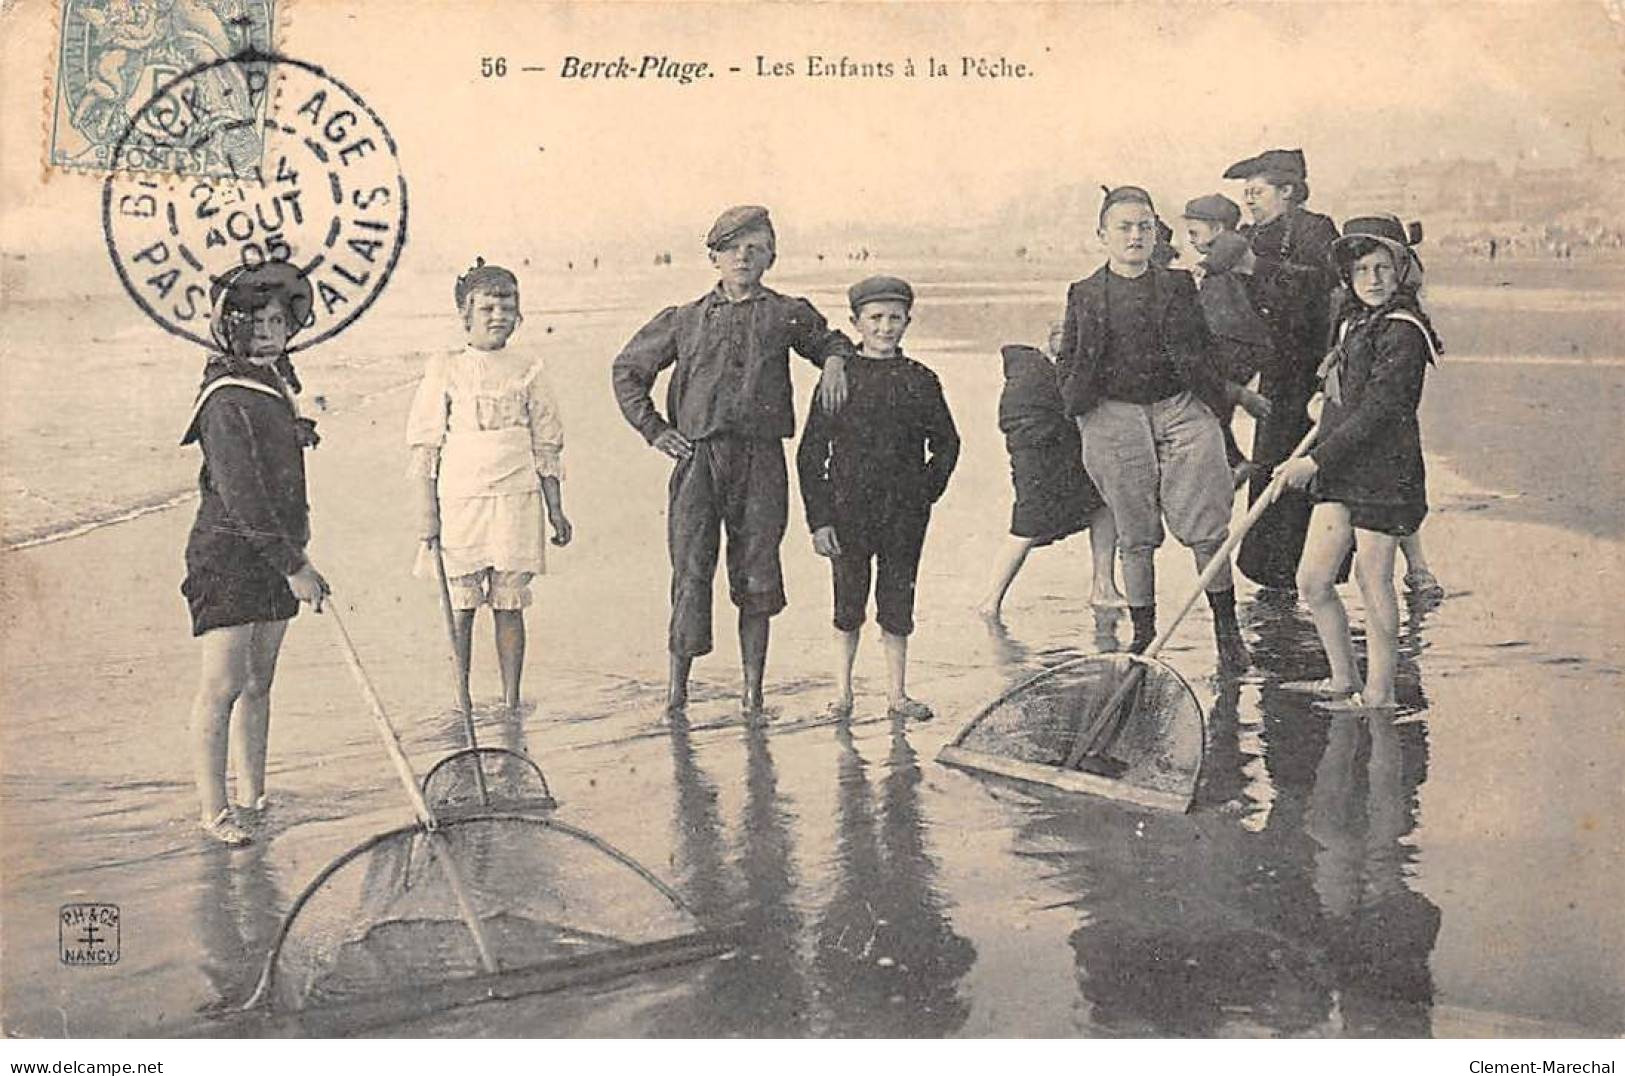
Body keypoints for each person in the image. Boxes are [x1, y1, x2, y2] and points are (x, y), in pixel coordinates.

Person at [612, 206, 852, 720]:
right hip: (698, 460)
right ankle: (676, 697)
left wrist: (833, 361)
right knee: (691, 572)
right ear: (714, 256)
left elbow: (831, 340)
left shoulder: (787, 312)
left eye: (756, 246)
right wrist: (656, 431)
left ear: (771, 255)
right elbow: (628, 371)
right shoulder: (684, 318)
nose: (744, 256)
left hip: (761, 460)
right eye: (733, 247)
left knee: (758, 572)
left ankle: (752, 696)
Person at [1055, 186, 1248, 669]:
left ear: (1154, 232)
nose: (1135, 236)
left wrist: (1215, 406)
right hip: (1113, 415)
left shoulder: (1178, 285)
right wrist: (1081, 410)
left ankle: (1229, 634)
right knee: (1135, 534)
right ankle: (1144, 636)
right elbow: (1069, 360)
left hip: (1179, 409)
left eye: (1143, 226)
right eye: (1124, 227)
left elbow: (1204, 349)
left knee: (1207, 529)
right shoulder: (1083, 293)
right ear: (1103, 235)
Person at [180, 263, 329, 846]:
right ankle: (214, 811)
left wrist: (295, 557)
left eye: (279, 321)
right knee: (223, 684)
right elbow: (241, 495)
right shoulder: (223, 398)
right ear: (231, 330)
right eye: (256, 323)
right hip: (228, 556)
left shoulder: (274, 385)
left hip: (277, 554)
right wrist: (296, 568)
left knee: (260, 682)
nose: (270, 331)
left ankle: (253, 795)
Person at [1278, 215, 1441, 710]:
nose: (1372, 279)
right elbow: (1346, 390)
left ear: (1401, 271)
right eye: (1361, 270)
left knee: (1374, 582)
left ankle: (1380, 693)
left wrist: (1314, 461)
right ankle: (1343, 678)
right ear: (1347, 277)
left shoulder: (1404, 330)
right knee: (1313, 579)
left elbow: (1383, 409)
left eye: (1382, 268)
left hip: (1385, 472)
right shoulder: (1352, 321)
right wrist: (1322, 404)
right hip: (1345, 468)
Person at [408, 259, 572, 714]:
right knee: (460, 604)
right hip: (460, 498)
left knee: (509, 602)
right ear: (465, 315)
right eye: (487, 308)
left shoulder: (529, 368)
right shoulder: (446, 367)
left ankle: (510, 697)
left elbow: (546, 444)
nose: (499, 316)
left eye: (508, 306)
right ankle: (460, 698)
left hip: (516, 496)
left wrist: (556, 509)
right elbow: (425, 446)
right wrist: (427, 513)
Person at [797, 276, 958, 722]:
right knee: (848, 604)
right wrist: (820, 520)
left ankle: (897, 696)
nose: (886, 328)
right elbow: (811, 455)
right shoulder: (838, 378)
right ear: (856, 322)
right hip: (848, 512)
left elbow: (947, 444)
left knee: (897, 602)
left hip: (905, 515)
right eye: (876, 319)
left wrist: (925, 493)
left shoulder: (921, 380)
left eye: (895, 319)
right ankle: (842, 695)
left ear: (908, 321)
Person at [1222, 148, 1342, 591]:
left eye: (1257, 192)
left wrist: (1257, 268)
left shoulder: (1317, 230)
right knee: (1273, 467)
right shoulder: (1251, 234)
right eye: (1246, 193)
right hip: (1274, 371)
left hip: (1314, 368)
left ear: (1288, 191)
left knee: (1311, 471)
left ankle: (1314, 576)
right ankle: (1274, 581)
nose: (1249, 200)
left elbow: (1319, 286)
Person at [976, 320, 1123, 619]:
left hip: (1062, 455)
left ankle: (1104, 586)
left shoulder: (1042, 370)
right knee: (1026, 527)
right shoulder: (1031, 377)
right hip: (1039, 461)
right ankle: (990, 601)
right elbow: (1024, 423)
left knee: (1103, 506)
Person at [1183, 194, 1277, 485]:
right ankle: (1234, 460)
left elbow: (1232, 246)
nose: (1191, 241)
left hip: (1237, 341)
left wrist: (1207, 267)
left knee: (1208, 395)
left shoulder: (1231, 244)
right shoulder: (1219, 253)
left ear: (1218, 227)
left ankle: (1234, 461)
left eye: (1194, 233)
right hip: (1231, 338)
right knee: (1213, 405)